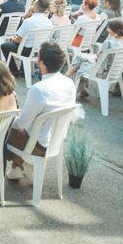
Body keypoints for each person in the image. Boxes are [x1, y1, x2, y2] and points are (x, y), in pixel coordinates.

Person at [6, 42, 76, 180]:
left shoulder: (39, 89)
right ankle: (19, 167)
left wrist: (7, 119)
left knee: (1, 129)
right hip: (57, 139)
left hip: (37, 145)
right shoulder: (69, 83)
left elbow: (21, 123)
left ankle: (19, 165)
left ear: (42, 63)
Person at [66, 19, 123, 98]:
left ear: (113, 30)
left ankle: (68, 79)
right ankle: (78, 87)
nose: (107, 30)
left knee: (79, 61)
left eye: (108, 28)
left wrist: (89, 57)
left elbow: (98, 57)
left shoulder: (109, 43)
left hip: (101, 70)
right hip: (115, 70)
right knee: (81, 59)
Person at [0, 0, 53, 75]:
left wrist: (14, 39)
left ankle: (14, 70)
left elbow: (18, 40)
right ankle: (23, 70)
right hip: (40, 50)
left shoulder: (29, 21)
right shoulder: (49, 22)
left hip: (27, 51)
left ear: (36, 7)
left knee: (4, 46)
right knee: (24, 42)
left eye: (33, 4)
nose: (31, 5)